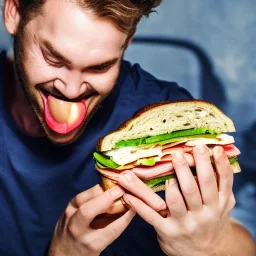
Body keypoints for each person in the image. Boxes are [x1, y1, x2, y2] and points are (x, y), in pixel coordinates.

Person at [0, 0, 255, 255]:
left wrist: (209, 245)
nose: (72, 89)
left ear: (128, 40)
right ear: (14, 13)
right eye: (53, 58)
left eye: (100, 66)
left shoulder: (172, 118)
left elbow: (240, 236)